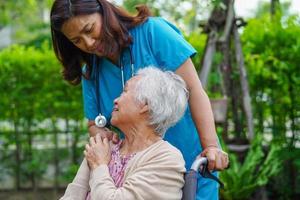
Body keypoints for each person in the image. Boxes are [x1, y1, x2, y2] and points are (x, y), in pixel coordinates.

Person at [50, 0, 229, 199]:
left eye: (90, 29)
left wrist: (211, 146)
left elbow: (194, 90)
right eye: (77, 40)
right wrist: (104, 138)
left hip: (191, 161)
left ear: (104, 12)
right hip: (138, 176)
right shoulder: (91, 71)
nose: (89, 43)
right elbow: (95, 123)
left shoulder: (153, 32)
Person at [60, 67, 188, 200]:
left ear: (146, 105)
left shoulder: (167, 159)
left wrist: (99, 165)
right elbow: (73, 194)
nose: (116, 100)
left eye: (124, 92)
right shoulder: (105, 147)